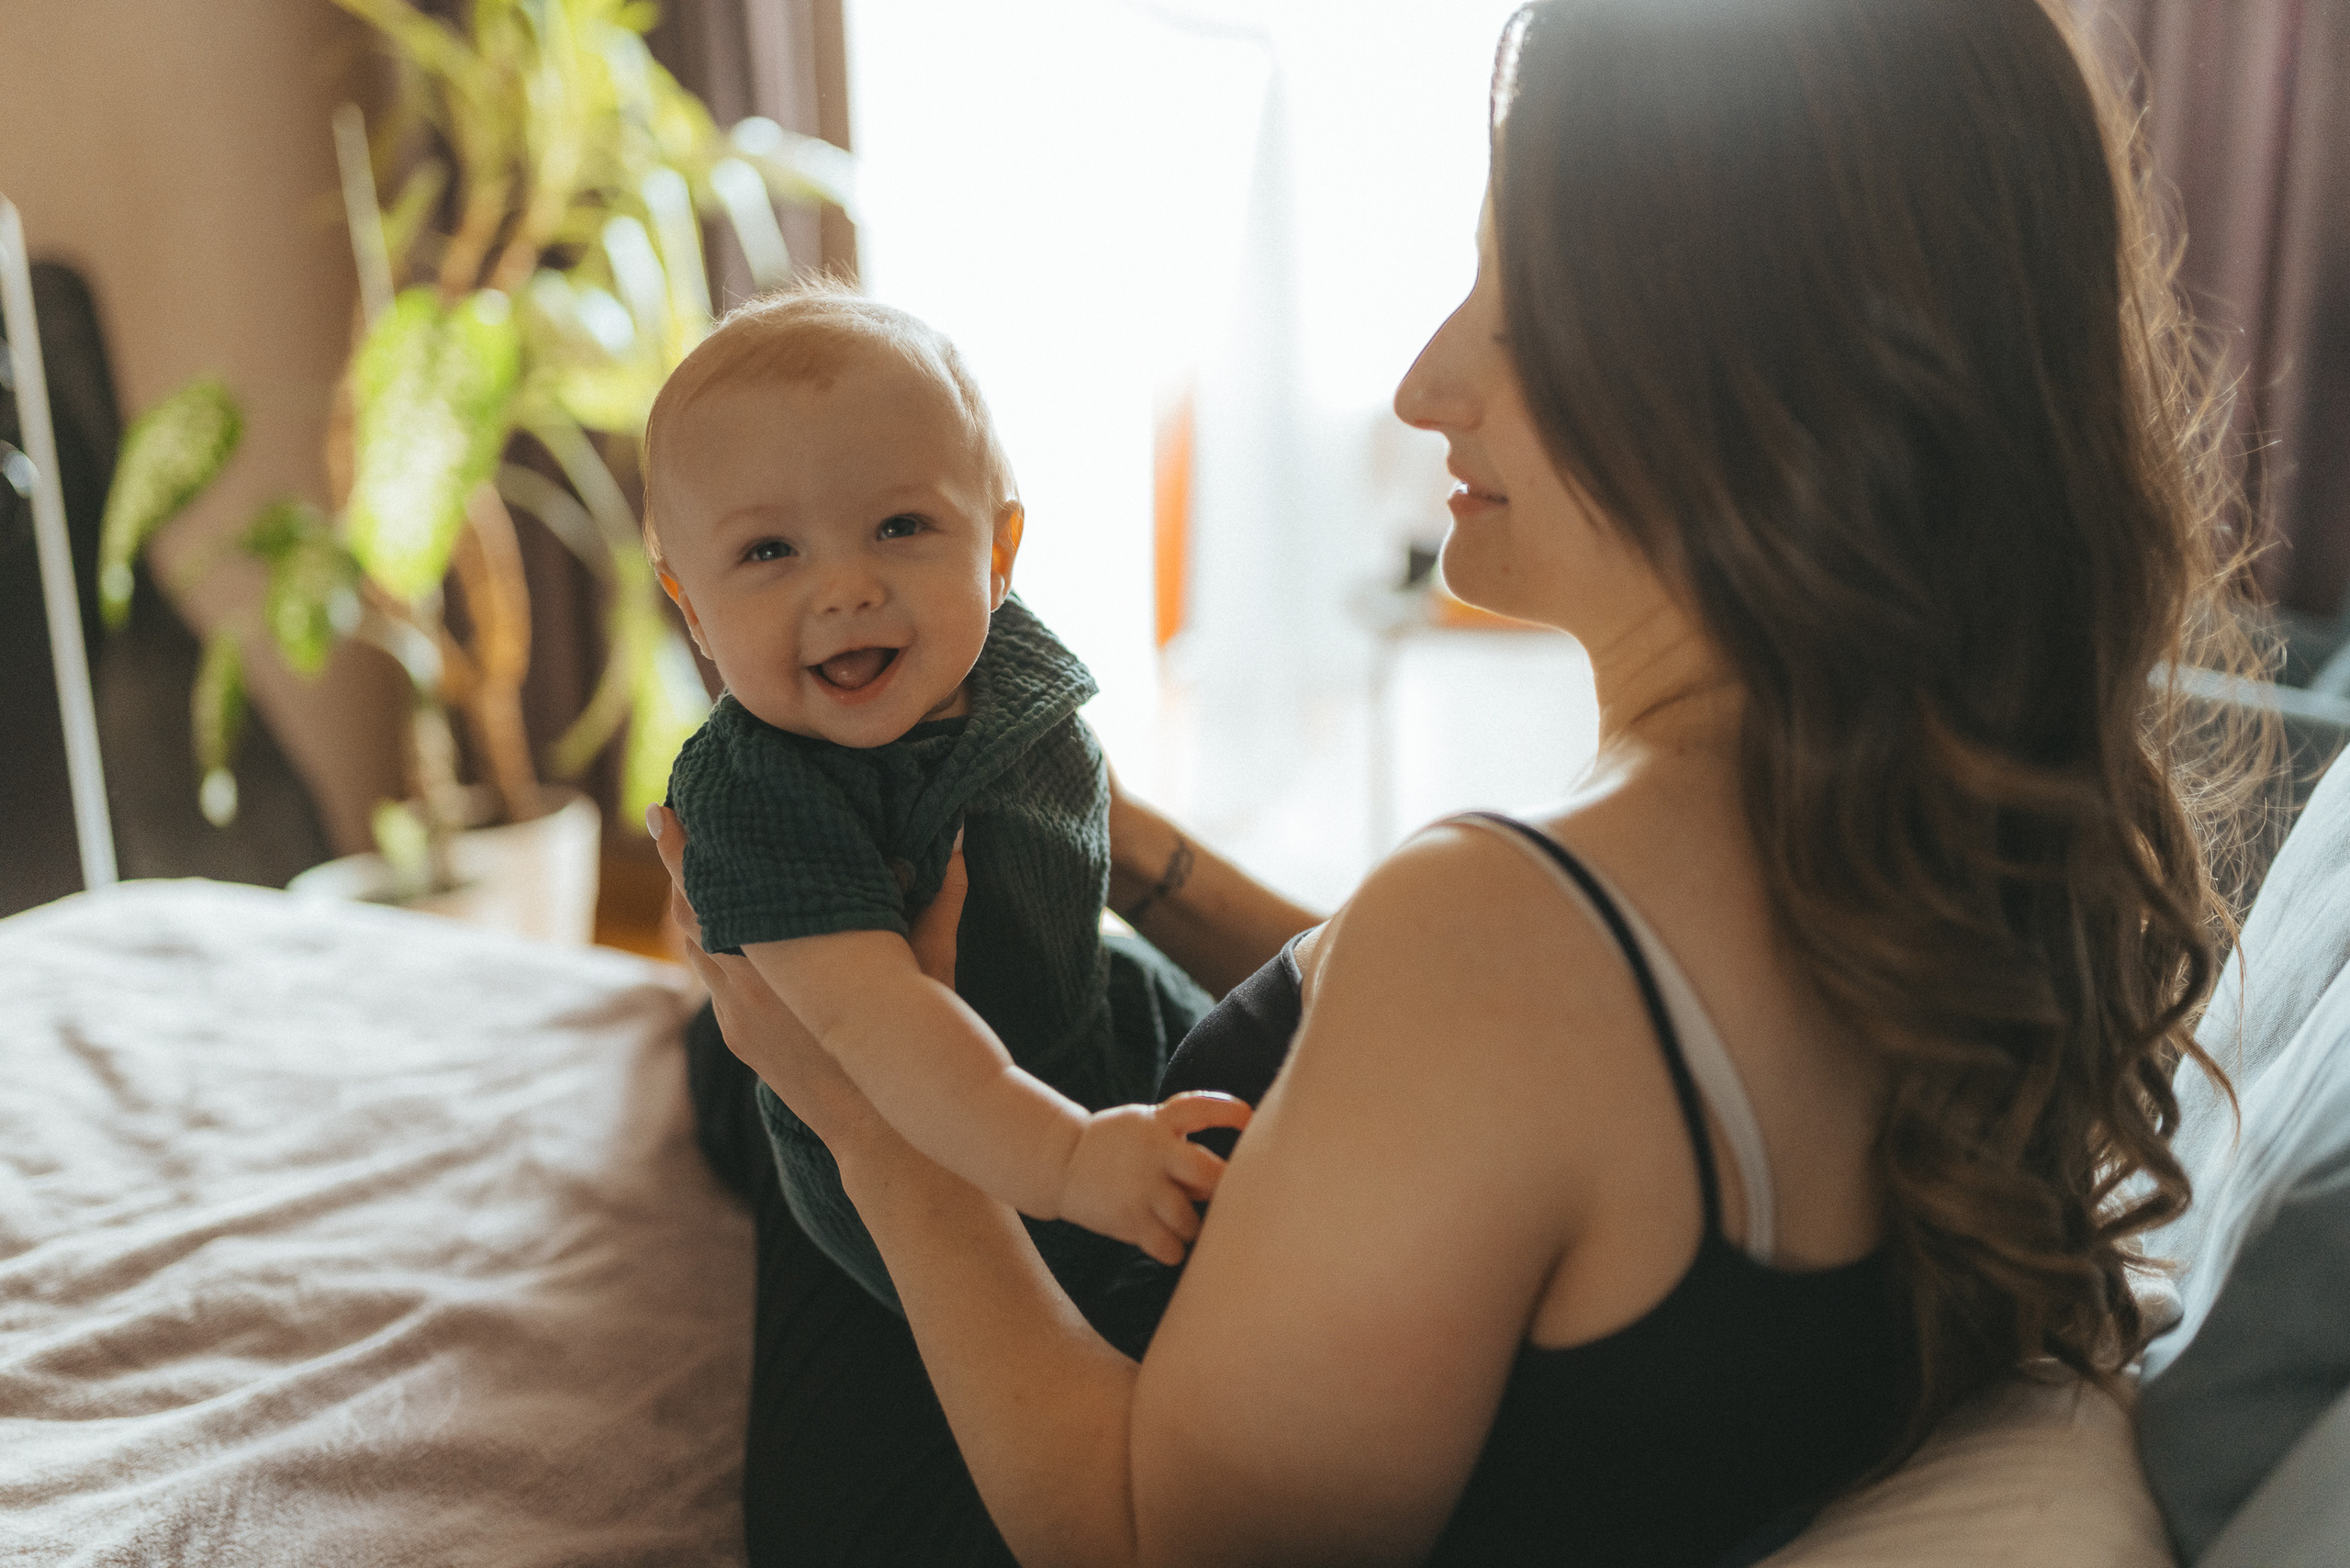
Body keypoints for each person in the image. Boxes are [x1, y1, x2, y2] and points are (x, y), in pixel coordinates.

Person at [655, 0, 2258, 1562]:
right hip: (1153, 1220)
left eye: (1517, 295)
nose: (1427, 381)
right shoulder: (1933, 853)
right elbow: (1432, 1062)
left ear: (1755, 370)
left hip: (979, 1476)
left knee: (748, 1026)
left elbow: (1134, 1533)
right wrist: (1125, 847)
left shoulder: (1498, 936)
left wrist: (858, 1116)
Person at [647, 289, 1250, 1314]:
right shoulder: (758, 798)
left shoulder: (1000, 665)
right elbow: (887, 1033)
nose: (844, 587)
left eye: (899, 526)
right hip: (927, 1146)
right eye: (769, 551)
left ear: (1000, 552)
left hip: (1088, 1025)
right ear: (691, 607)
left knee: (1270, 1082)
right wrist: (1069, 1161)